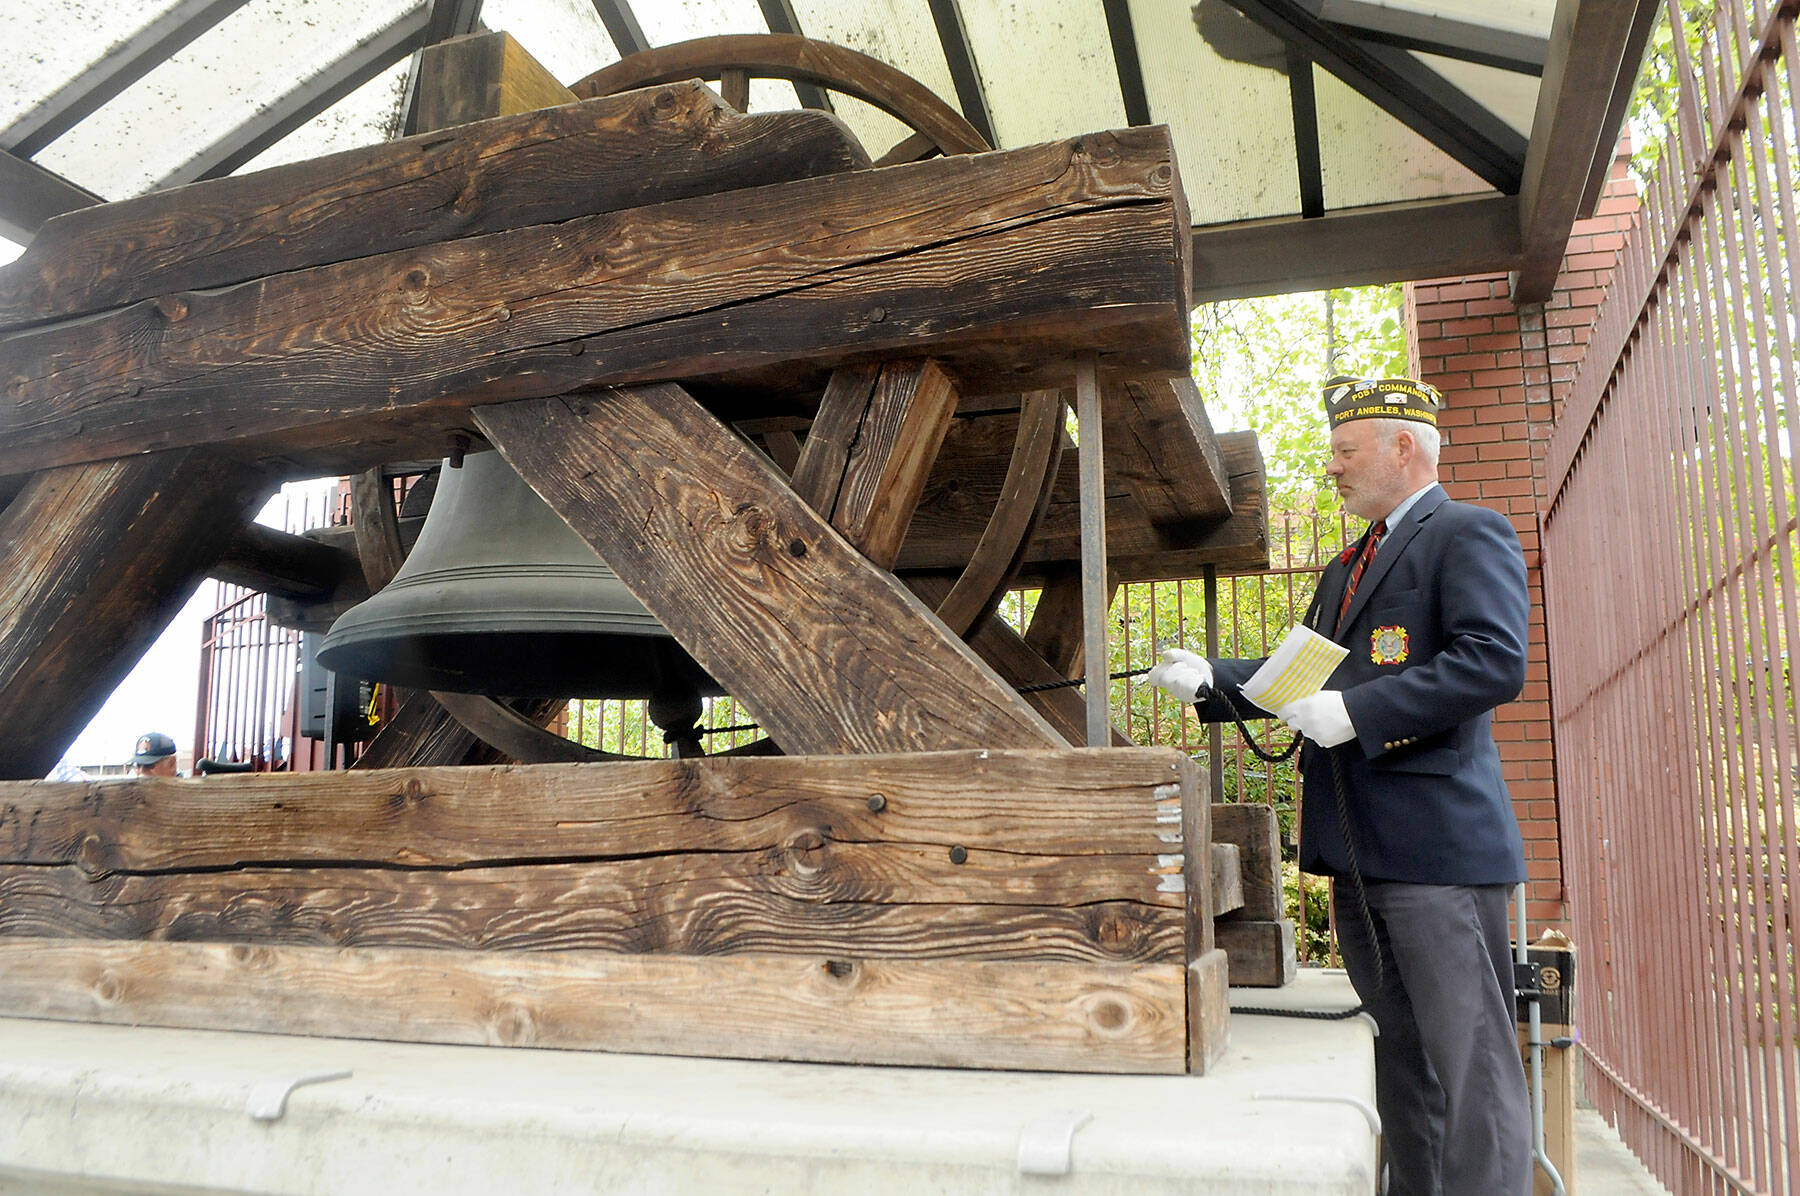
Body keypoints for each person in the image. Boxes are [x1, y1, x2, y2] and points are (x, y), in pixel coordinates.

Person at [1149, 374, 1533, 1195]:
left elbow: (1493, 662)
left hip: (1436, 855)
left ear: (1404, 446)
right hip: (1362, 852)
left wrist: (1361, 712)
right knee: (1403, 1054)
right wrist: (1211, 679)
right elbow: (1305, 676)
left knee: (1473, 1069)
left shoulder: (1466, 534)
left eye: (1344, 451)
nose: (1331, 467)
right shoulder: (1349, 566)